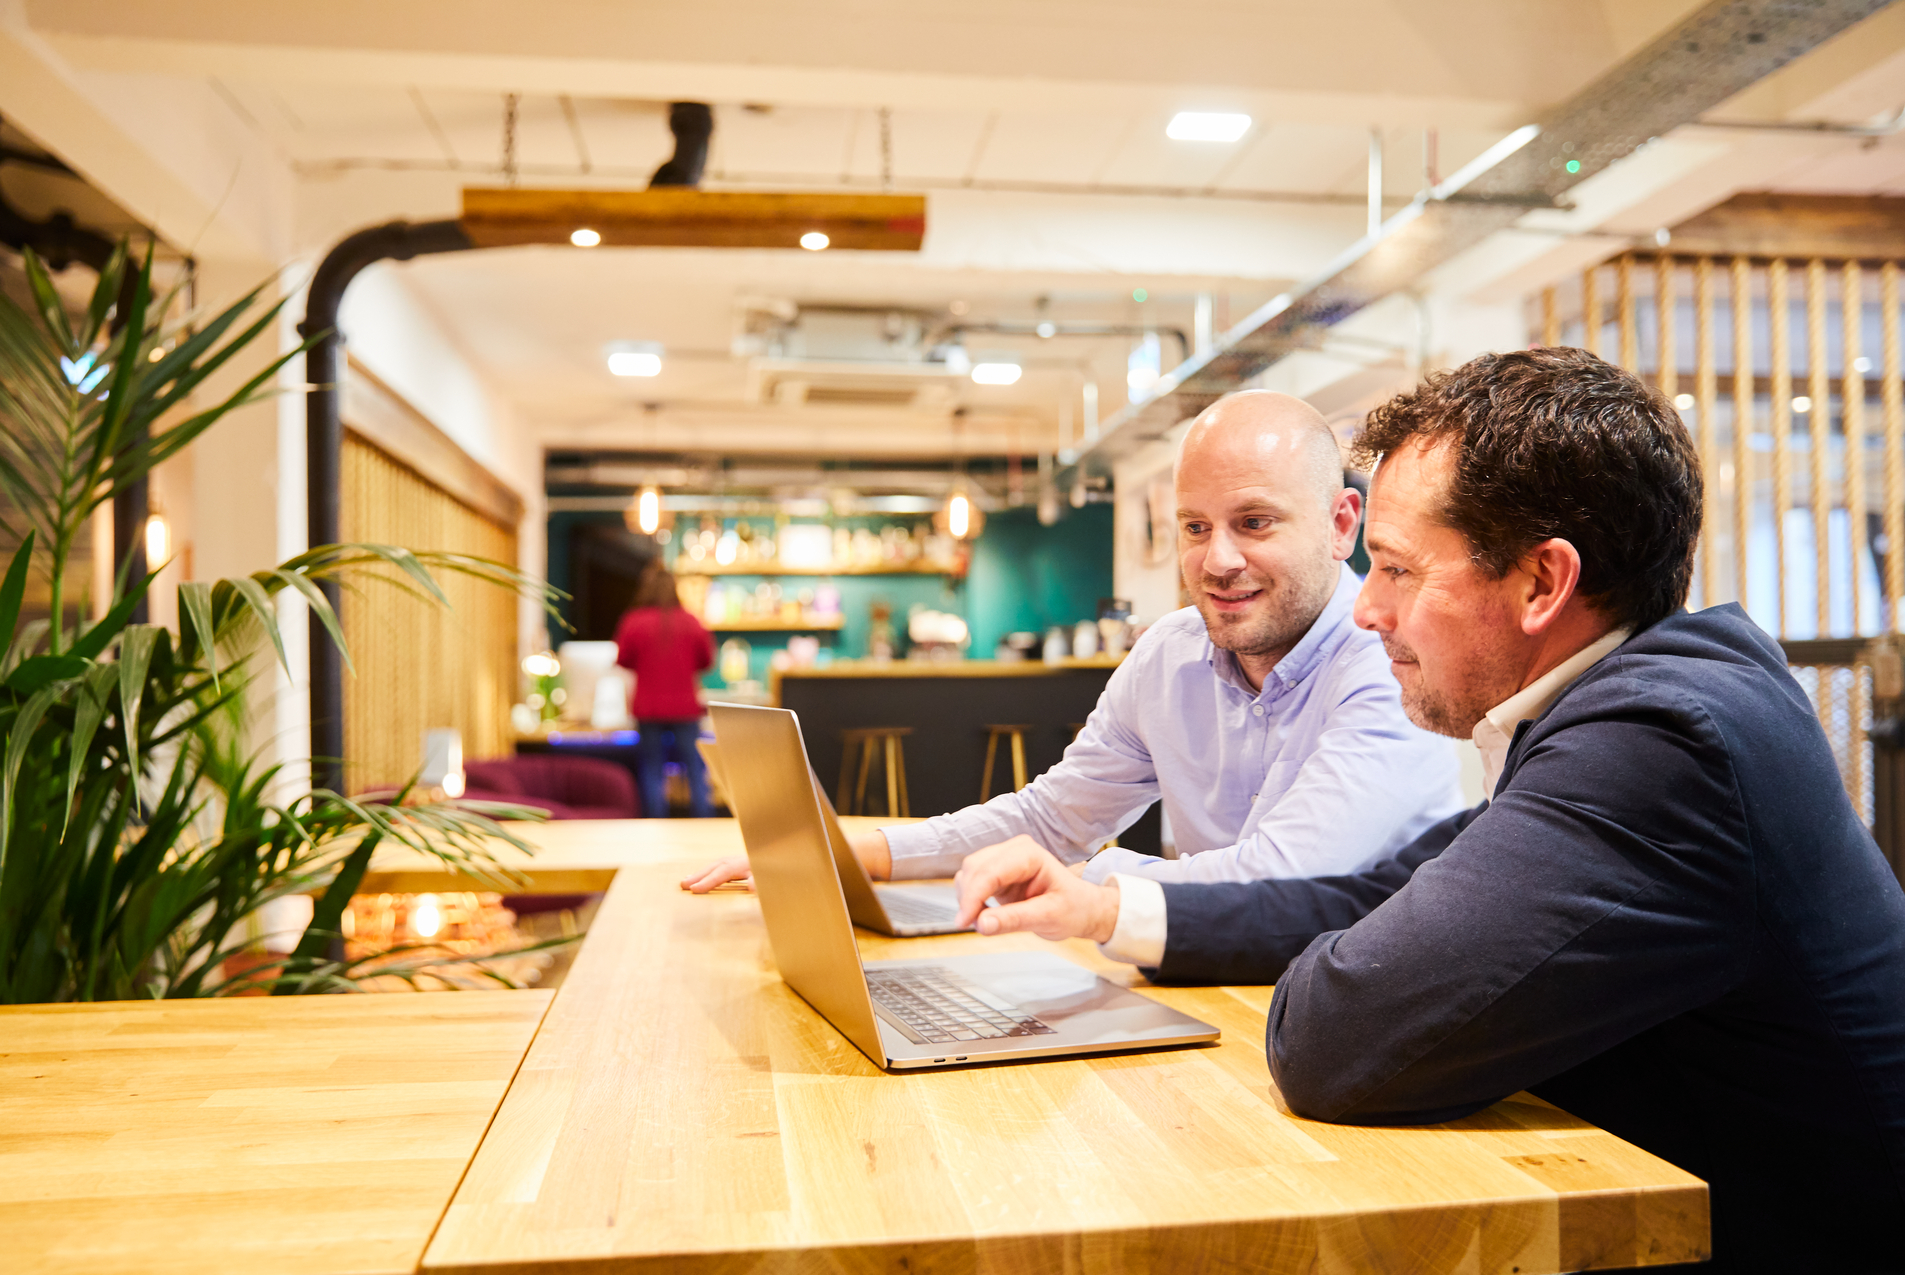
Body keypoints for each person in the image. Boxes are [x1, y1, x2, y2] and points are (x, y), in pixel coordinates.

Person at [949, 348, 1905, 1274]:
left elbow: (1332, 1039)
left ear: (1541, 582)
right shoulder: (1625, 707)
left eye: (1398, 570)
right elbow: (1365, 893)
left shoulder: (1657, 744)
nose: (1367, 612)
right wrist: (1104, 907)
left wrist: (1348, 954)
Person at [681, 390, 1462, 893]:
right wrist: (854, 854)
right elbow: (1053, 818)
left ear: (1339, 525)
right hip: (1214, 989)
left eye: (1253, 522)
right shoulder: (1167, 656)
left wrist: (1085, 884)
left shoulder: (1391, 664)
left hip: (1350, 1025)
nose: (1217, 559)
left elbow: (1282, 880)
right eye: (1195, 527)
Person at [614, 568, 715, 818]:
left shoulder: (634, 621)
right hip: (685, 708)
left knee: (652, 770)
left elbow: (623, 659)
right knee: (695, 769)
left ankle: (655, 826)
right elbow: (707, 660)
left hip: (648, 708)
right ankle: (704, 823)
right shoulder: (691, 621)